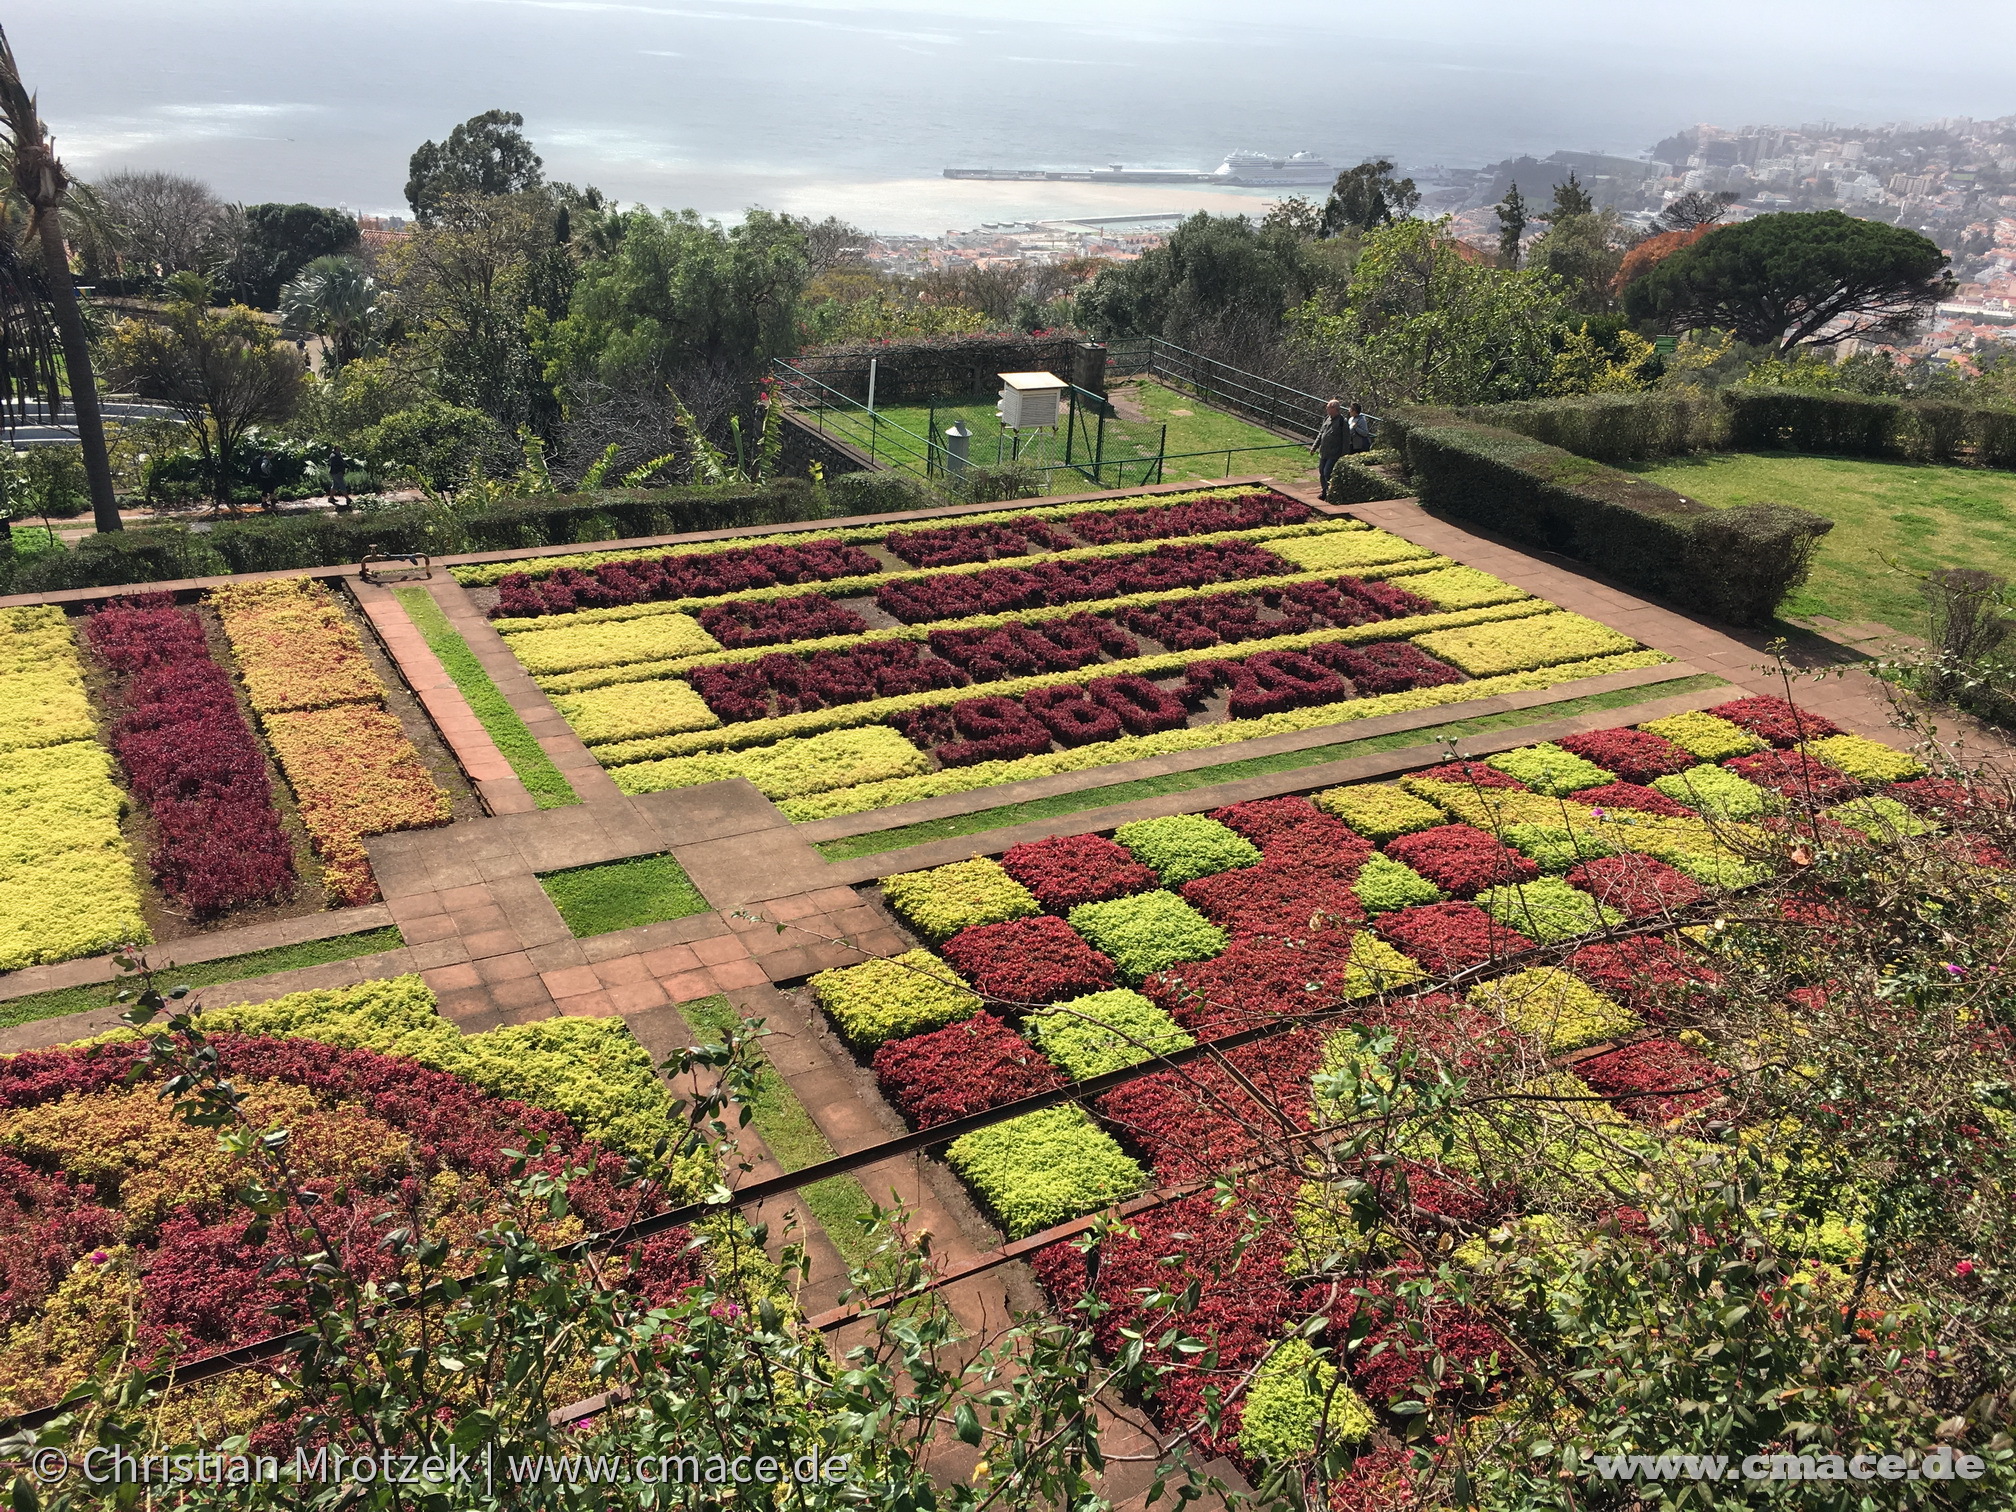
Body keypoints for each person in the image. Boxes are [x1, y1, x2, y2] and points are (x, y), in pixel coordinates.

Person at [1310, 398, 1347, 491]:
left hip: (1334, 453)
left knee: (1327, 472)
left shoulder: (1343, 422)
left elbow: (1346, 440)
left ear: (1335, 408)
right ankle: (1324, 491)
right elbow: (1320, 434)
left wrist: (1344, 455)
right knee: (1321, 471)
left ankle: (1330, 491)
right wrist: (1314, 447)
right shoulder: (1327, 419)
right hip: (1324, 452)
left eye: (1328, 407)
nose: (1327, 409)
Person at [327, 445, 352, 510]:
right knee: (342, 485)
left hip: (335, 473)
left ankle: (331, 498)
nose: (339, 450)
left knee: (335, 485)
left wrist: (346, 466)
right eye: (338, 449)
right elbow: (336, 465)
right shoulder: (334, 456)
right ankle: (348, 499)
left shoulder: (337, 455)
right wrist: (340, 471)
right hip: (336, 473)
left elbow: (342, 463)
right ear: (335, 449)